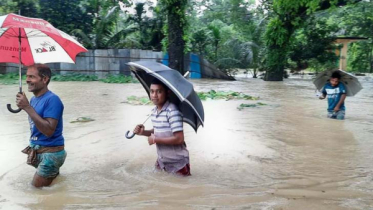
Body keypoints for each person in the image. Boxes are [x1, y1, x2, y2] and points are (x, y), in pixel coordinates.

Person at [16, 64, 66, 187]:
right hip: (39, 150)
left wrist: (27, 107)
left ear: (44, 79)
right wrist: (26, 106)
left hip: (50, 154)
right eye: (27, 76)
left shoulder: (53, 100)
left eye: (32, 77)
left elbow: (48, 131)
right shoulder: (33, 99)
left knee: (35, 191)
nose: (27, 80)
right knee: (51, 188)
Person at [133, 78, 191, 176]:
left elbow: (179, 139)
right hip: (162, 161)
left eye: (159, 91)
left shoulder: (173, 112)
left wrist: (155, 140)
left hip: (178, 163)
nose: (154, 95)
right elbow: (158, 130)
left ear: (167, 93)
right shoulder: (154, 111)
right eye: (152, 91)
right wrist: (143, 132)